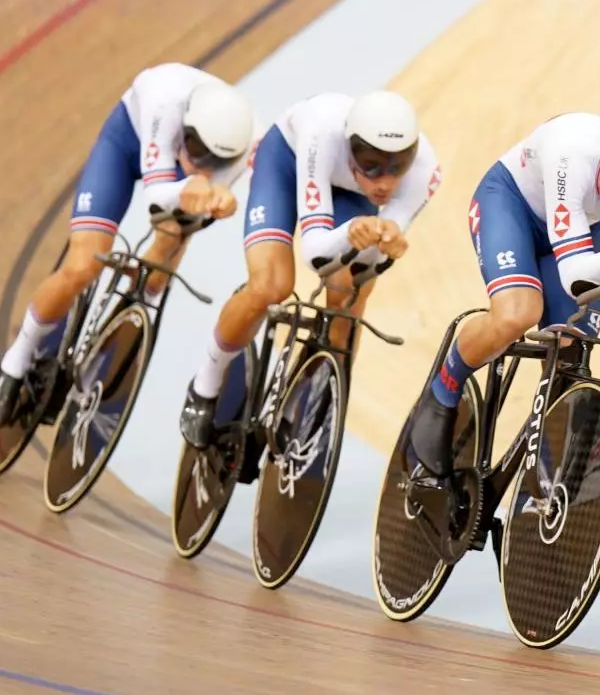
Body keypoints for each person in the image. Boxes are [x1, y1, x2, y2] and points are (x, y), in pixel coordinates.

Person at [407, 110, 600, 479]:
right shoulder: (571, 153)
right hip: (512, 206)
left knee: (575, 347)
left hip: (579, 229)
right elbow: (575, 276)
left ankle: (544, 464)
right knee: (518, 313)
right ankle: (443, 389)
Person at [0, 62, 256, 427]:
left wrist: (219, 202)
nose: (200, 162)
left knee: (166, 253)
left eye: (214, 160)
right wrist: (194, 187)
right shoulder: (165, 99)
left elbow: (191, 205)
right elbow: (158, 197)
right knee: (82, 267)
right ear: (185, 127)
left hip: (179, 181)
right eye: (195, 148)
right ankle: (14, 364)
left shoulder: (242, 151)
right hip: (127, 145)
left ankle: (131, 312)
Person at [178, 89, 441, 448]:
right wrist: (351, 232)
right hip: (286, 164)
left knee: (348, 299)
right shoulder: (322, 133)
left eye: (397, 166)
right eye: (371, 163)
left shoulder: (426, 170)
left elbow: (374, 260)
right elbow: (315, 252)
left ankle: (296, 404)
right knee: (272, 285)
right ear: (351, 149)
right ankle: (204, 388)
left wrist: (385, 243)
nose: (384, 181)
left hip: (350, 195)